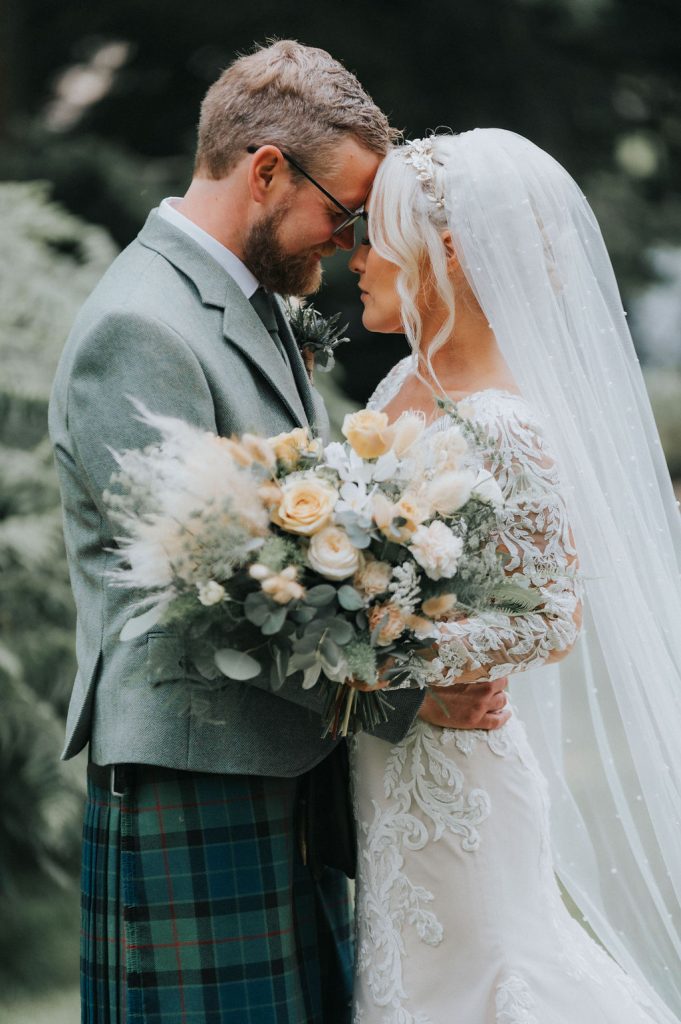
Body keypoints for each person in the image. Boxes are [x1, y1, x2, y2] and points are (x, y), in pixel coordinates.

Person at [48, 44, 509, 1024]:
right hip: (194, 774)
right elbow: (205, 589)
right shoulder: (143, 327)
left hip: (272, 762)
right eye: (343, 213)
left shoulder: (248, 306)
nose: (349, 246)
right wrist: (407, 696)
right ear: (265, 170)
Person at [348, 130, 681, 1023]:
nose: (358, 257)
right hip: (388, 762)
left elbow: (550, 620)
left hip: (462, 768)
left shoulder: (506, 421)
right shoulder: (395, 388)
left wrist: (368, 648)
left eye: (376, 233)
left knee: (485, 978)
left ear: (444, 251)